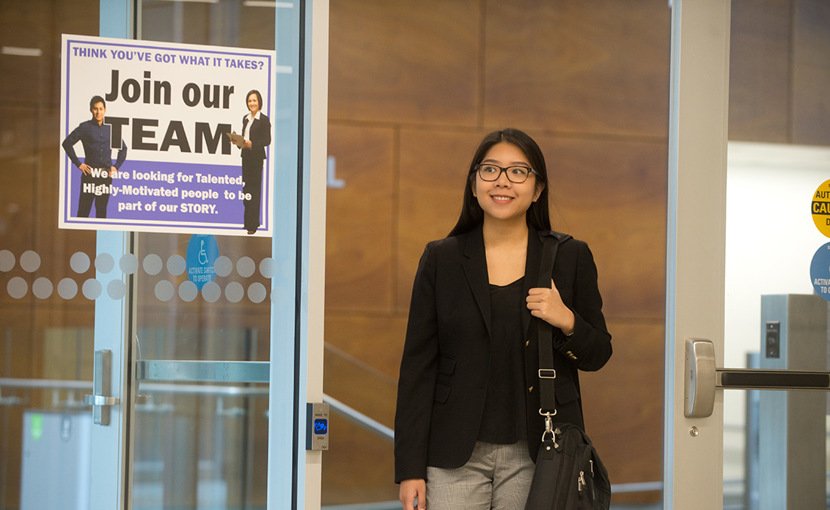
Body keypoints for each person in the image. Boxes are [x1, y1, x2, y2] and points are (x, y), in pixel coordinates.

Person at [394, 128, 612, 510]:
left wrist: (567, 321)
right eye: (490, 170)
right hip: (453, 453)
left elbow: (598, 354)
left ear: (538, 188)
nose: (502, 182)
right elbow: (418, 368)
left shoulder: (570, 256)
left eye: (518, 172)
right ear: (474, 183)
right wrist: (410, 469)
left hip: (538, 450)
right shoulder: (441, 259)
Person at [61, 95, 127, 218]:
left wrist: (116, 167)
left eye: (101, 109)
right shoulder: (85, 128)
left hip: (105, 177)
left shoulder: (111, 129)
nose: (98, 112)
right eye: (95, 109)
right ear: (91, 110)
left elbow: (123, 149)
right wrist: (78, 164)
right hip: (89, 175)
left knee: (101, 212)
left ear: (105, 110)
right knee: (83, 212)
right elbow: (67, 143)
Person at [232, 89, 271, 234]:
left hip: (256, 157)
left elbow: (267, 140)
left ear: (259, 102)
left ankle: (253, 225)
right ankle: (247, 222)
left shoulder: (264, 119)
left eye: (254, 100)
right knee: (246, 190)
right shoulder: (246, 118)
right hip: (246, 157)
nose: (252, 103)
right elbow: (244, 136)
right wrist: (239, 141)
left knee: (254, 190)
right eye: (249, 101)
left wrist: (252, 143)